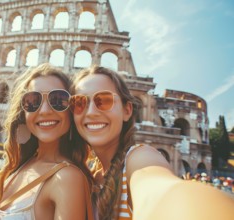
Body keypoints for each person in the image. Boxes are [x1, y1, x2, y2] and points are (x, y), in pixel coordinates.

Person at [69, 65, 234, 220]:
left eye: (104, 100)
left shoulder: (139, 157)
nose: (90, 112)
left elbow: (163, 192)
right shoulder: (83, 172)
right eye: (79, 103)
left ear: (127, 110)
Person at [0, 63, 93, 220]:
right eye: (33, 101)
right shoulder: (21, 165)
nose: (45, 110)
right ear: (23, 113)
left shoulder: (68, 178)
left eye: (58, 100)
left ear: (71, 110)